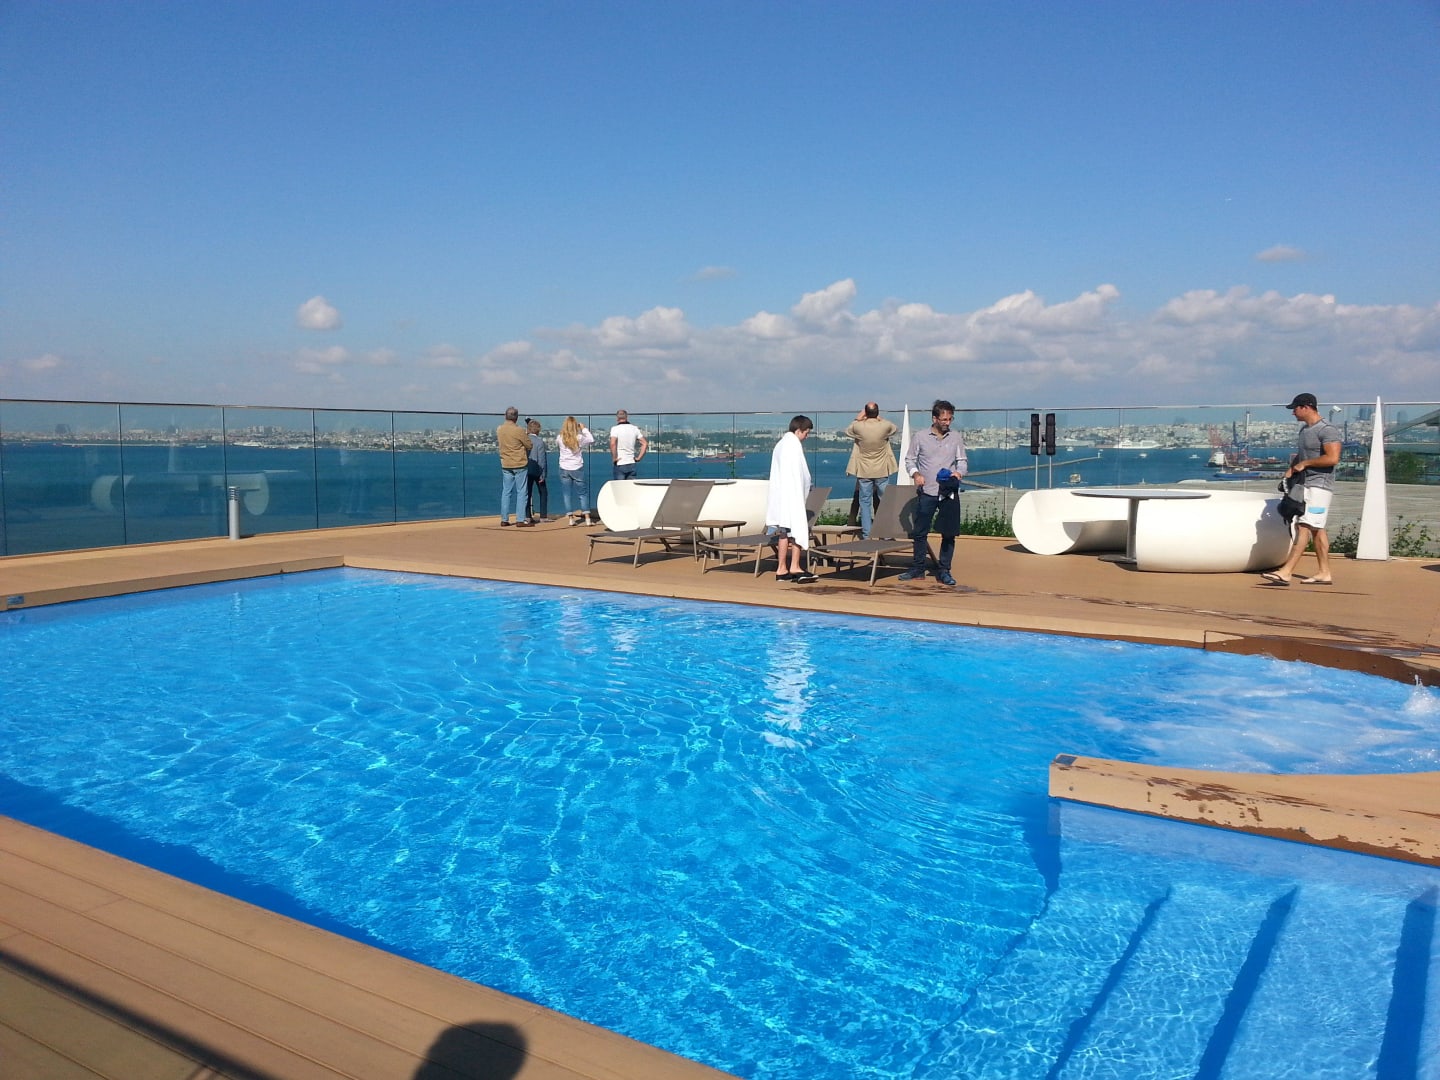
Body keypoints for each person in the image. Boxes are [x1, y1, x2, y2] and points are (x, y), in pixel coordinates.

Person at [1262, 392, 1343, 586]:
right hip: (1305, 484)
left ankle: (1286, 572)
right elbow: (1302, 455)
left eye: (1295, 409)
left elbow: (1332, 458)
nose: (1293, 413)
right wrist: (1290, 470)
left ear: (1306, 407)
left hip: (1320, 487)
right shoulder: (1305, 430)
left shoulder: (1327, 430)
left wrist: (1305, 464)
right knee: (1317, 529)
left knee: (1303, 526)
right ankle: (1324, 573)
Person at [899, 399, 969, 586]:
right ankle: (918, 568)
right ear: (935, 418)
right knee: (920, 532)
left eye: (950, 419)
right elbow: (910, 459)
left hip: (948, 492)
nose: (947, 423)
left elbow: (962, 461)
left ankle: (944, 570)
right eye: (944, 419)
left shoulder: (956, 437)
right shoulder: (920, 437)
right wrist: (916, 474)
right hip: (927, 491)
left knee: (949, 533)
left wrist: (959, 473)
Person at [765, 415, 817, 584]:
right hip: (792, 495)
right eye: (806, 433)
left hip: (781, 497)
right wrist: (805, 487)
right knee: (797, 530)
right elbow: (799, 473)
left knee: (784, 531)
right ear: (799, 430)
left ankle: (781, 569)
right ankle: (795, 567)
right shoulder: (793, 445)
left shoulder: (780, 445)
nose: (806, 436)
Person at [843, 402, 899, 538]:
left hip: (864, 470)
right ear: (877, 412)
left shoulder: (859, 426)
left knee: (865, 503)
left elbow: (848, 430)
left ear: (866, 413)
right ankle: (886, 533)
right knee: (885, 502)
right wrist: (879, 418)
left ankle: (867, 534)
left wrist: (858, 418)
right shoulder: (884, 426)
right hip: (882, 470)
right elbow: (894, 428)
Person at [495, 406, 532, 527]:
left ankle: (504, 519)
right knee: (522, 492)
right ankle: (520, 519)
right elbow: (529, 445)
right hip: (519, 463)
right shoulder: (519, 430)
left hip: (506, 463)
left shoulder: (499, 429)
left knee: (506, 491)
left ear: (505, 416)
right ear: (516, 417)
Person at [557, 416, 595, 526]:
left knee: (567, 494)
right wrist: (583, 429)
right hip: (577, 467)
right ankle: (587, 519)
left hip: (564, 468)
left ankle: (570, 518)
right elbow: (591, 439)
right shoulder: (579, 438)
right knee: (582, 494)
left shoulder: (560, 438)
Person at [609, 409, 648, 480]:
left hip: (620, 462)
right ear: (627, 417)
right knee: (630, 485)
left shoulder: (615, 429)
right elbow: (645, 443)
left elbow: (612, 444)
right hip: (631, 462)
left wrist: (614, 458)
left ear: (617, 418)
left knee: (619, 486)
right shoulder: (634, 428)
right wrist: (639, 458)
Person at [523, 418, 549, 522]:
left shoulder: (524, 440)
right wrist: (543, 474)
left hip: (526, 469)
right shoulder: (539, 442)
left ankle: (527, 516)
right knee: (543, 492)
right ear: (538, 430)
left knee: (527, 493)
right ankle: (543, 516)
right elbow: (542, 460)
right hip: (537, 470)